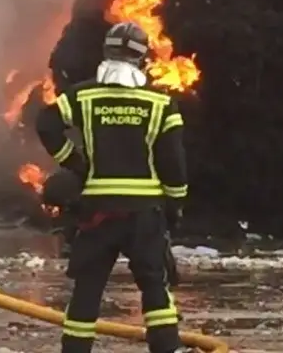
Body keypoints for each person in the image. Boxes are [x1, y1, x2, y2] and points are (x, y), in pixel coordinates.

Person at [35, 21, 190, 353]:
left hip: (98, 211)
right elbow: (173, 163)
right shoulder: (160, 103)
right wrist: (175, 204)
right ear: (142, 58)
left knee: (87, 288)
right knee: (154, 285)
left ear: (106, 52)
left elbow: (46, 123)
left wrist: (75, 162)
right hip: (144, 214)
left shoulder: (83, 95)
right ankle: (166, 348)